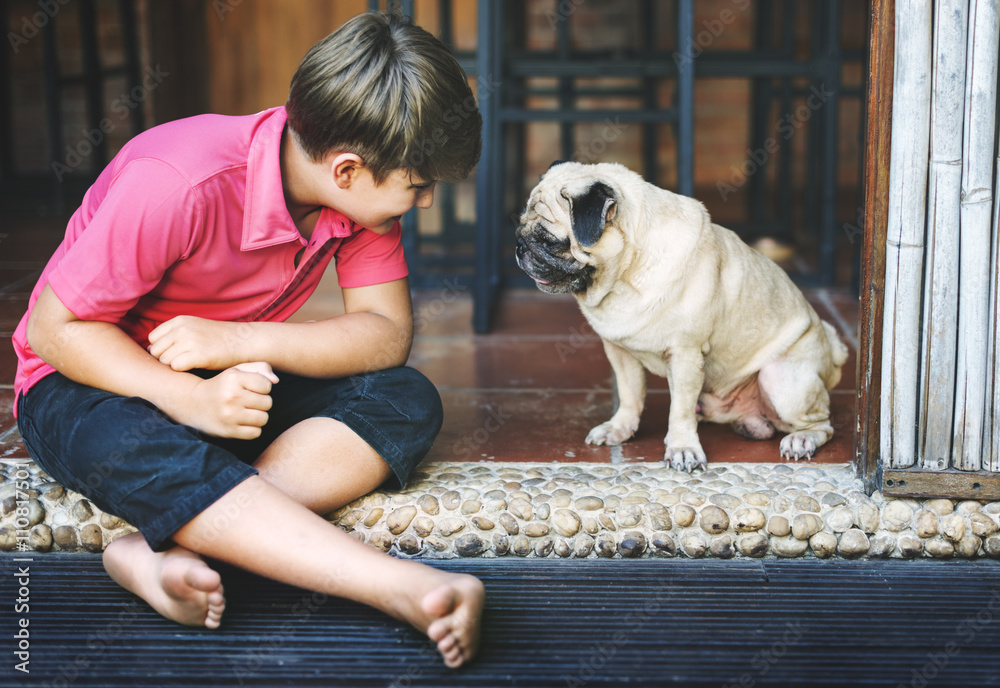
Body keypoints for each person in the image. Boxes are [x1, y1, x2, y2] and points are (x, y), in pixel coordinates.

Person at [12, 11, 484, 669]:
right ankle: (404, 588)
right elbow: (54, 332)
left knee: (403, 398)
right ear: (347, 169)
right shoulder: (177, 181)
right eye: (418, 185)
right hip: (91, 381)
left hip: (220, 381)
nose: (424, 201)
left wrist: (232, 344)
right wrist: (185, 398)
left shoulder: (358, 199)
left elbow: (384, 335)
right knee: (122, 437)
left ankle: (167, 549)